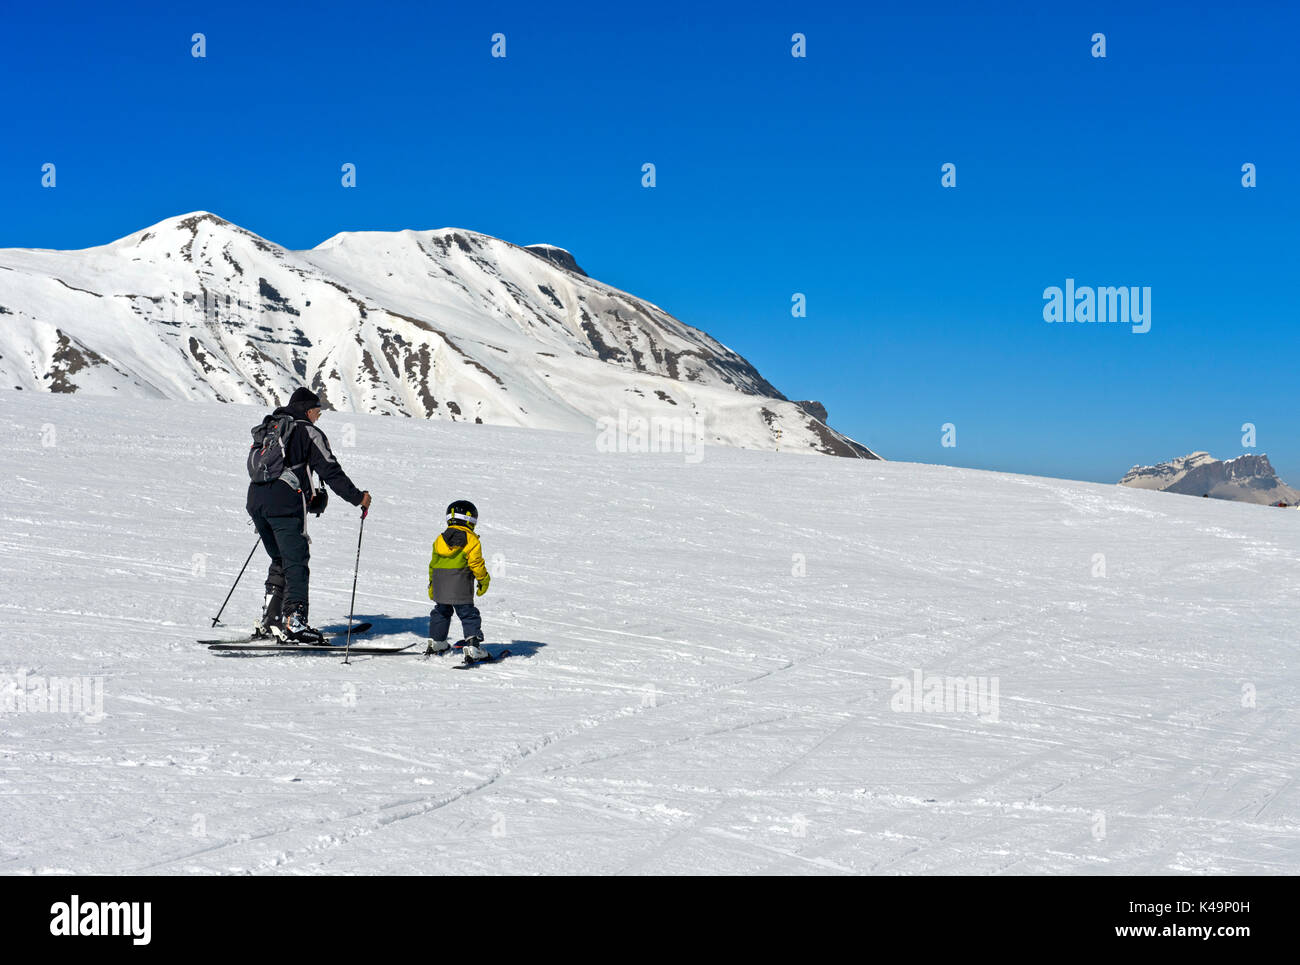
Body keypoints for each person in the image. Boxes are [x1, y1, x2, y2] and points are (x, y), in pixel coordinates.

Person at [246, 387, 372, 643]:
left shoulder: (272, 428)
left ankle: (271, 620)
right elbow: (331, 471)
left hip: (257, 501)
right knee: (296, 562)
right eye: (317, 411)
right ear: (307, 409)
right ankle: (295, 622)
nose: (318, 416)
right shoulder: (308, 432)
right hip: (285, 505)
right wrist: (358, 497)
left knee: (281, 558)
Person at [426, 500, 491, 660]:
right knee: (469, 615)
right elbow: (476, 563)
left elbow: (433, 564)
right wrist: (484, 580)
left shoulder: (439, 539)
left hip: (441, 584)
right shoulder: (471, 540)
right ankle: (473, 647)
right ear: (471, 520)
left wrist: (432, 584)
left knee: (441, 612)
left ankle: (437, 641)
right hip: (460, 584)